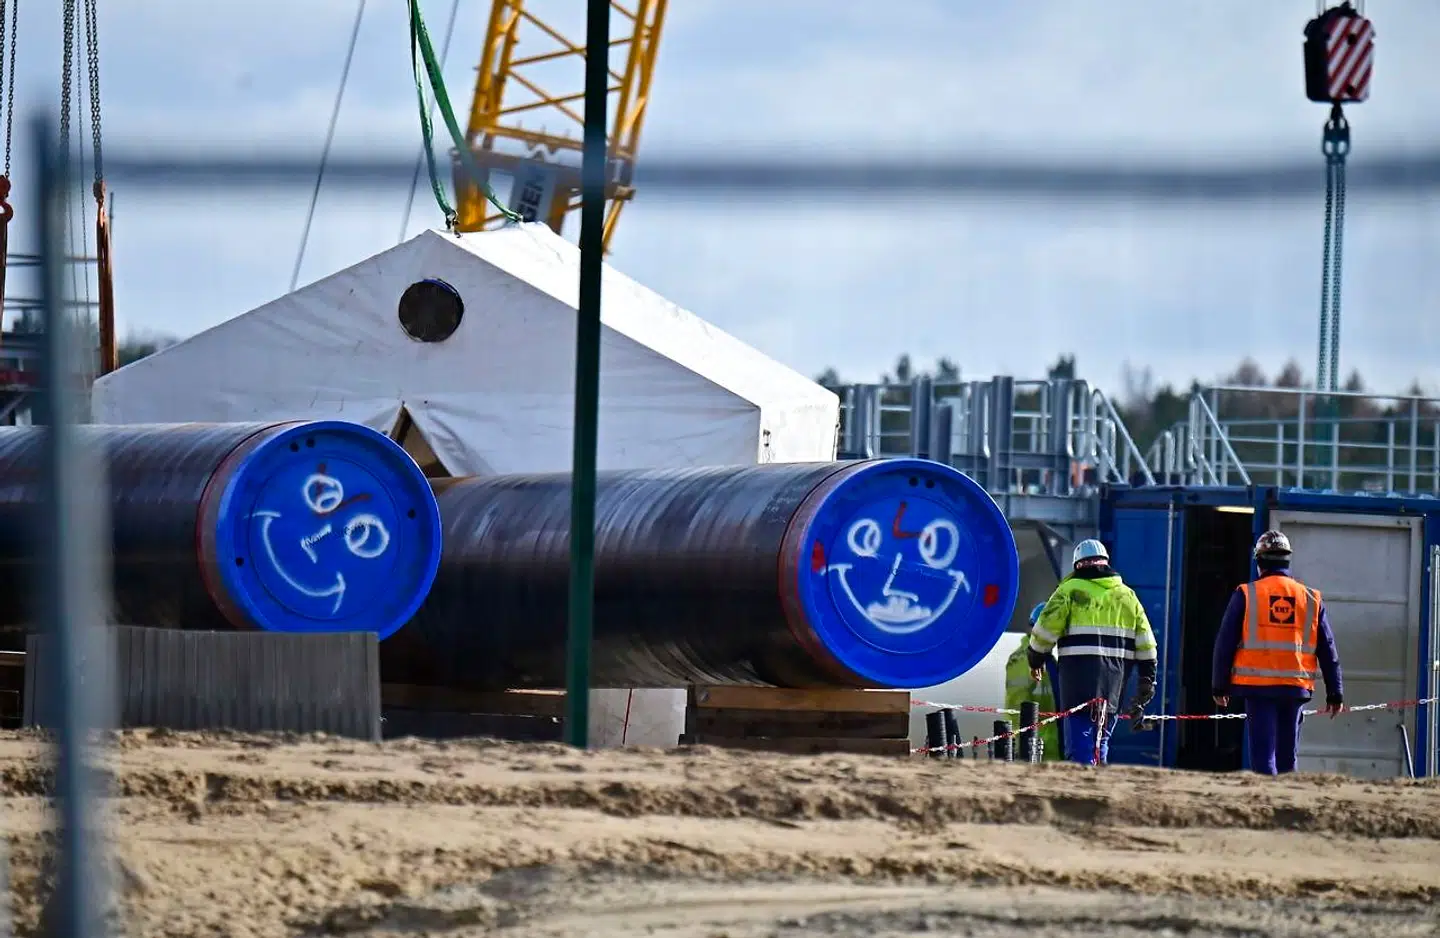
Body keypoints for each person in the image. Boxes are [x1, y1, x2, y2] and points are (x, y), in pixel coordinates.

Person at [1212, 529, 1344, 776]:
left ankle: (1266, 808)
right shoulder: (1311, 598)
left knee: (1264, 757)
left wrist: (1220, 686)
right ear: (1287, 560)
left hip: (1258, 688)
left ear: (1259, 562)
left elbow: (1225, 642)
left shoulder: (1246, 594)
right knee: (1287, 757)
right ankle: (1286, 806)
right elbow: (1328, 648)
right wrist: (1335, 692)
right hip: (1295, 687)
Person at [1026, 539, 1157, 765]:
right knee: (1101, 742)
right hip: (1113, 687)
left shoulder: (1068, 592)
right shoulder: (1128, 597)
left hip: (1077, 686)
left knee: (1080, 747)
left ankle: (1083, 793)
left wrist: (1035, 659)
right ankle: (1098, 788)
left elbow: (1043, 633)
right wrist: (1147, 678)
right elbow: (1147, 645)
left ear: (1078, 565)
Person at [1004, 603, 1063, 761]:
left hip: (1052, 747)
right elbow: (1016, 709)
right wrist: (1021, 746)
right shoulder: (1022, 660)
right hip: (1035, 749)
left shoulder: (1050, 660)